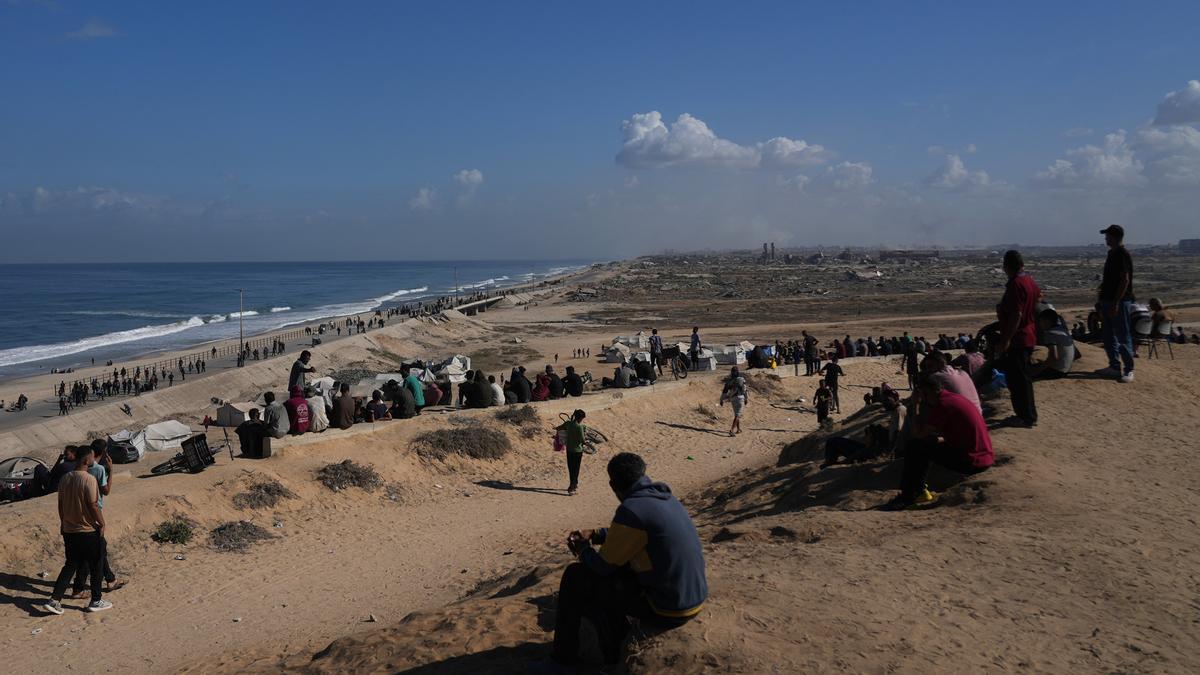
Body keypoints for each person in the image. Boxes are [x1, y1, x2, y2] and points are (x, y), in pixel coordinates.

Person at [547, 453, 706, 668]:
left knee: (576, 576)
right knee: (616, 572)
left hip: (667, 608)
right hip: (692, 598)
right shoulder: (664, 496)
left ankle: (565, 659)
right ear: (643, 474)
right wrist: (596, 534)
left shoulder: (631, 510)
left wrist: (583, 549)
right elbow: (636, 533)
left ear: (613, 485)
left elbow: (602, 567)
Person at [884, 376, 994, 510]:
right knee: (926, 444)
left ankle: (910, 495)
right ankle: (918, 490)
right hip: (984, 456)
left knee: (915, 446)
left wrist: (916, 405)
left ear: (926, 392)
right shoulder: (953, 398)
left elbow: (918, 434)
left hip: (972, 460)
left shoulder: (943, 405)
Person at [40, 444, 112, 615]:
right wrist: (101, 523)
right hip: (87, 530)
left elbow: (60, 505)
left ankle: (55, 599)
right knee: (97, 563)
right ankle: (96, 600)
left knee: (71, 564)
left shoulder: (65, 478)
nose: (93, 459)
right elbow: (93, 504)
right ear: (86, 459)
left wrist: (64, 522)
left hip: (69, 530)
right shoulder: (89, 479)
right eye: (92, 457)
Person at [995, 249, 1040, 427]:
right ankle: (1027, 415)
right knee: (1023, 378)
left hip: (1018, 338)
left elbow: (1016, 314)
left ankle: (1025, 416)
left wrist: (1006, 339)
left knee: (1017, 380)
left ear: (1006, 266)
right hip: (1028, 334)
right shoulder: (1029, 280)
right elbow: (1037, 298)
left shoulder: (1015, 284)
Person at [71, 439, 120, 598]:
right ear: (104, 453)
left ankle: (110, 579)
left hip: (79, 511)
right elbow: (105, 491)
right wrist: (111, 471)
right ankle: (84, 588)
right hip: (94, 512)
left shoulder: (81, 468)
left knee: (97, 548)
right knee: (97, 549)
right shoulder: (99, 469)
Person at [1097, 224, 1135, 383]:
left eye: (1107, 235)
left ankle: (1128, 370)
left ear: (1114, 237)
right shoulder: (1112, 253)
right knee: (1108, 335)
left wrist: (1116, 302)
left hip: (1118, 302)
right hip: (1108, 301)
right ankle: (1114, 366)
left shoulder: (1122, 254)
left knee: (1122, 335)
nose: (1105, 238)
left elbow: (1124, 280)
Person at [1032, 309, 1076, 380]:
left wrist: (1038, 370)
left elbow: (1054, 357)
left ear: (1047, 321)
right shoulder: (1062, 330)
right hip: (1066, 370)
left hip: (1057, 372)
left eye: (1040, 321)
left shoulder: (1050, 333)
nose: (1039, 324)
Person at [555, 409, 588, 495]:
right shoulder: (579, 427)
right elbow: (583, 440)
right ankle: (572, 487)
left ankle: (574, 484)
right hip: (578, 451)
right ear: (580, 418)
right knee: (576, 469)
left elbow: (559, 428)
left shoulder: (568, 424)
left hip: (569, 450)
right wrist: (585, 438)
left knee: (571, 468)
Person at [718, 367, 748, 437]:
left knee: (736, 414)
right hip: (740, 398)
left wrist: (721, 400)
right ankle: (731, 430)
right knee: (738, 415)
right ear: (738, 372)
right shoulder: (741, 379)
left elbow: (724, 391)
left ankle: (738, 429)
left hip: (733, 399)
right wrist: (746, 398)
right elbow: (745, 390)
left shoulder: (729, 381)